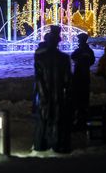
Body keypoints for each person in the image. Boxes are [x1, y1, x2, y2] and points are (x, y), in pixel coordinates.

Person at [32, 25, 72, 154]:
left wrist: (42, 95)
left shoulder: (40, 57)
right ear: (58, 42)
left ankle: (40, 145)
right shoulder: (64, 58)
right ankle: (59, 145)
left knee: (42, 121)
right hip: (58, 95)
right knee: (58, 120)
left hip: (44, 94)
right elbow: (67, 80)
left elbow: (38, 79)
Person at [71, 33, 95, 131]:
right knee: (84, 99)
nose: (78, 41)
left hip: (79, 77)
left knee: (78, 99)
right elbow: (92, 60)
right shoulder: (88, 50)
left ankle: (80, 120)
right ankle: (82, 119)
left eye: (79, 40)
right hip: (84, 77)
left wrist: (79, 61)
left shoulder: (81, 50)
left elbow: (73, 56)